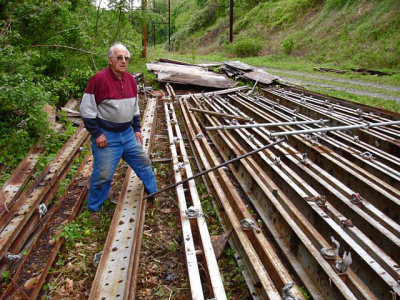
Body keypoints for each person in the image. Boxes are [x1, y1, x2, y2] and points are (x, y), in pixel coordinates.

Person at [80, 42, 157, 216]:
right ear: (110, 60)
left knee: (144, 162)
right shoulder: (98, 80)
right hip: (107, 136)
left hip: (128, 134)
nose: (123, 61)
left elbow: (134, 107)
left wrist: (137, 128)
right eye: (119, 58)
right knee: (103, 175)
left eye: (126, 58)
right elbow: (87, 110)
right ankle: (94, 209)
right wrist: (97, 133)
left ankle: (153, 192)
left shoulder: (130, 79)